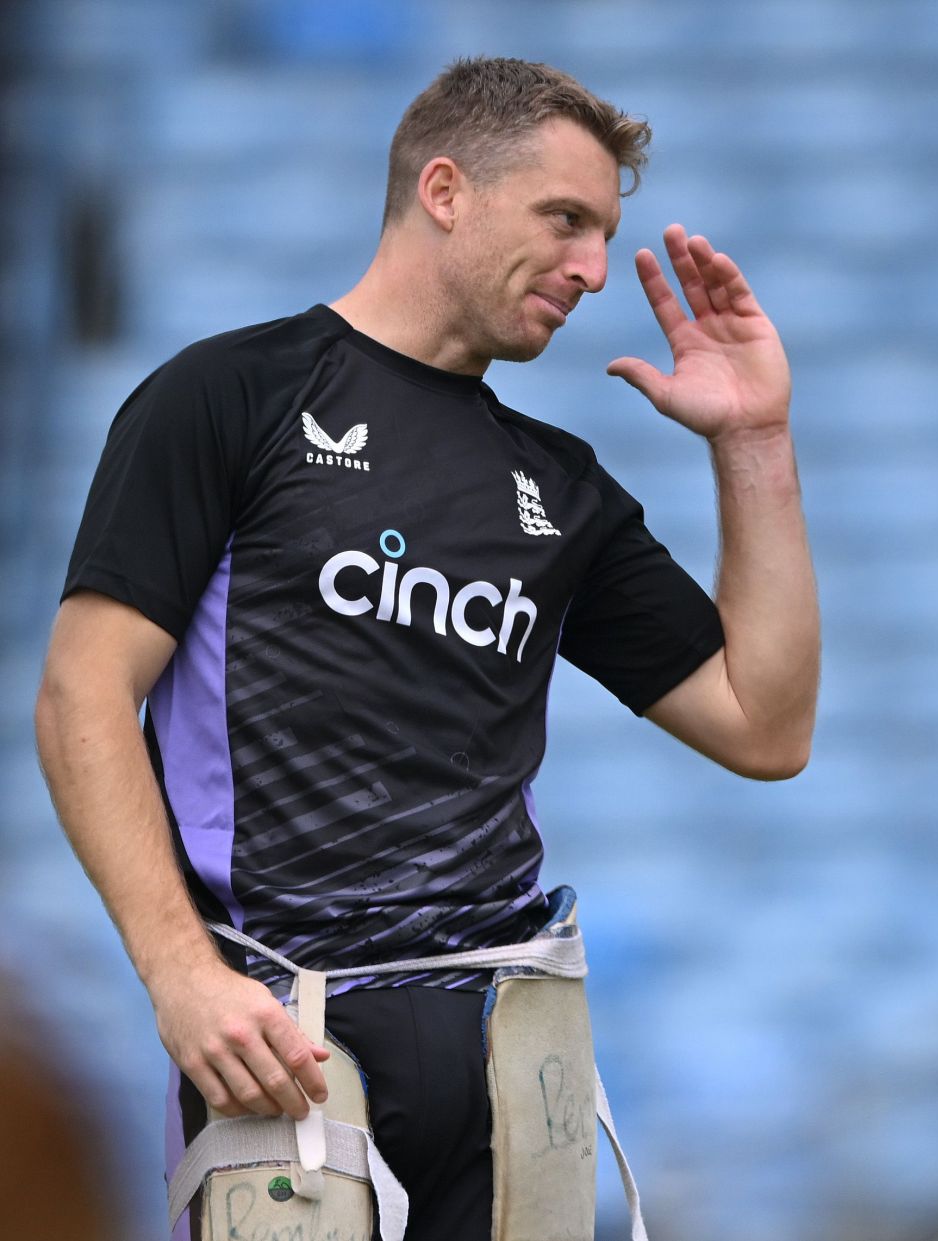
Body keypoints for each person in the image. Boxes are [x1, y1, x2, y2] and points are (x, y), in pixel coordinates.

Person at [35, 57, 818, 1238]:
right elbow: (79, 697)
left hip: (511, 1045)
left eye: (604, 235)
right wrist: (181, 973)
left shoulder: (560, 487)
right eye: (567, 220)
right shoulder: (227, 396)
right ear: (445, 188)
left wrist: (755, 438)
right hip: (287, 1037)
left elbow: (766, 725)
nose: (595, 269)